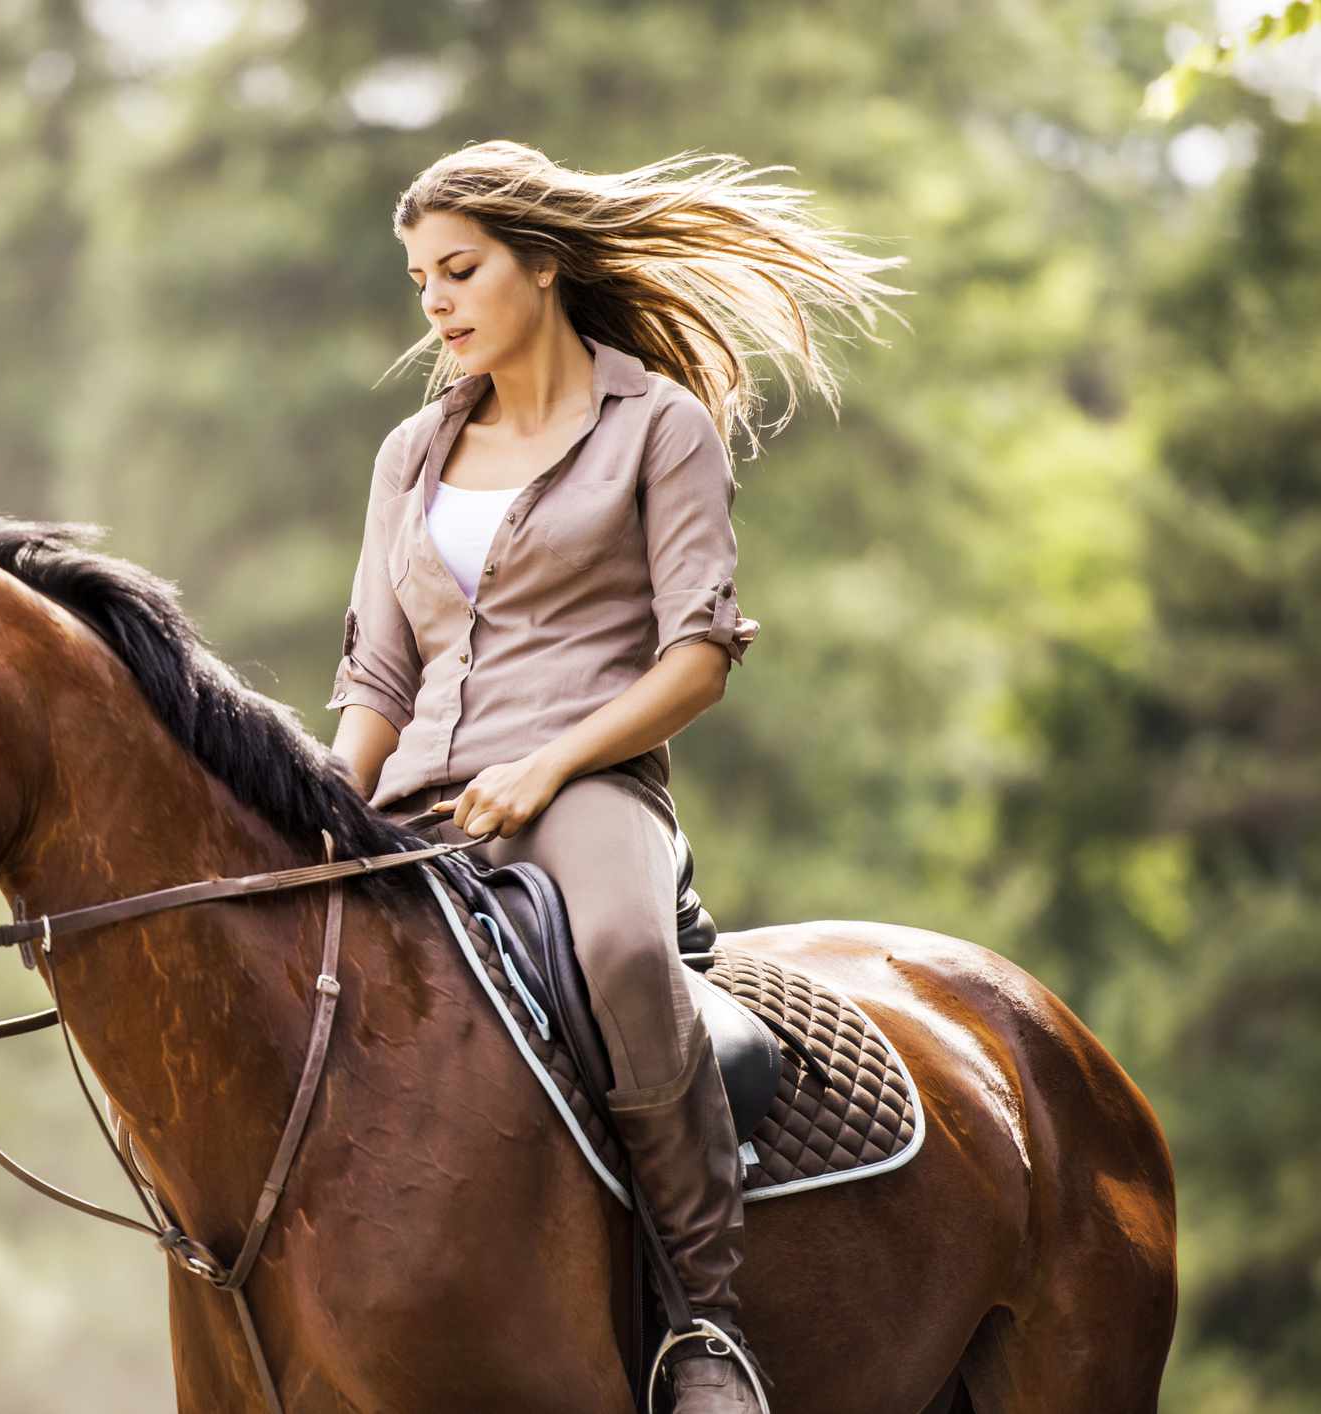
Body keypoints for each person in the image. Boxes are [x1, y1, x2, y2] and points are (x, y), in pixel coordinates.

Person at [327, 140, 907, 1414]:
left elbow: (695, 657)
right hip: (415, 797)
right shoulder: (408, 457)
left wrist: (545, 767)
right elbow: (375, 676)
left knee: (628, 960)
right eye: (420, 277)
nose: (433, 301)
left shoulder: (659, 426)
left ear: (541, 264)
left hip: (586, 789)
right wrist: (317, 811)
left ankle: (703, 1323)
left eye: (459, 270)